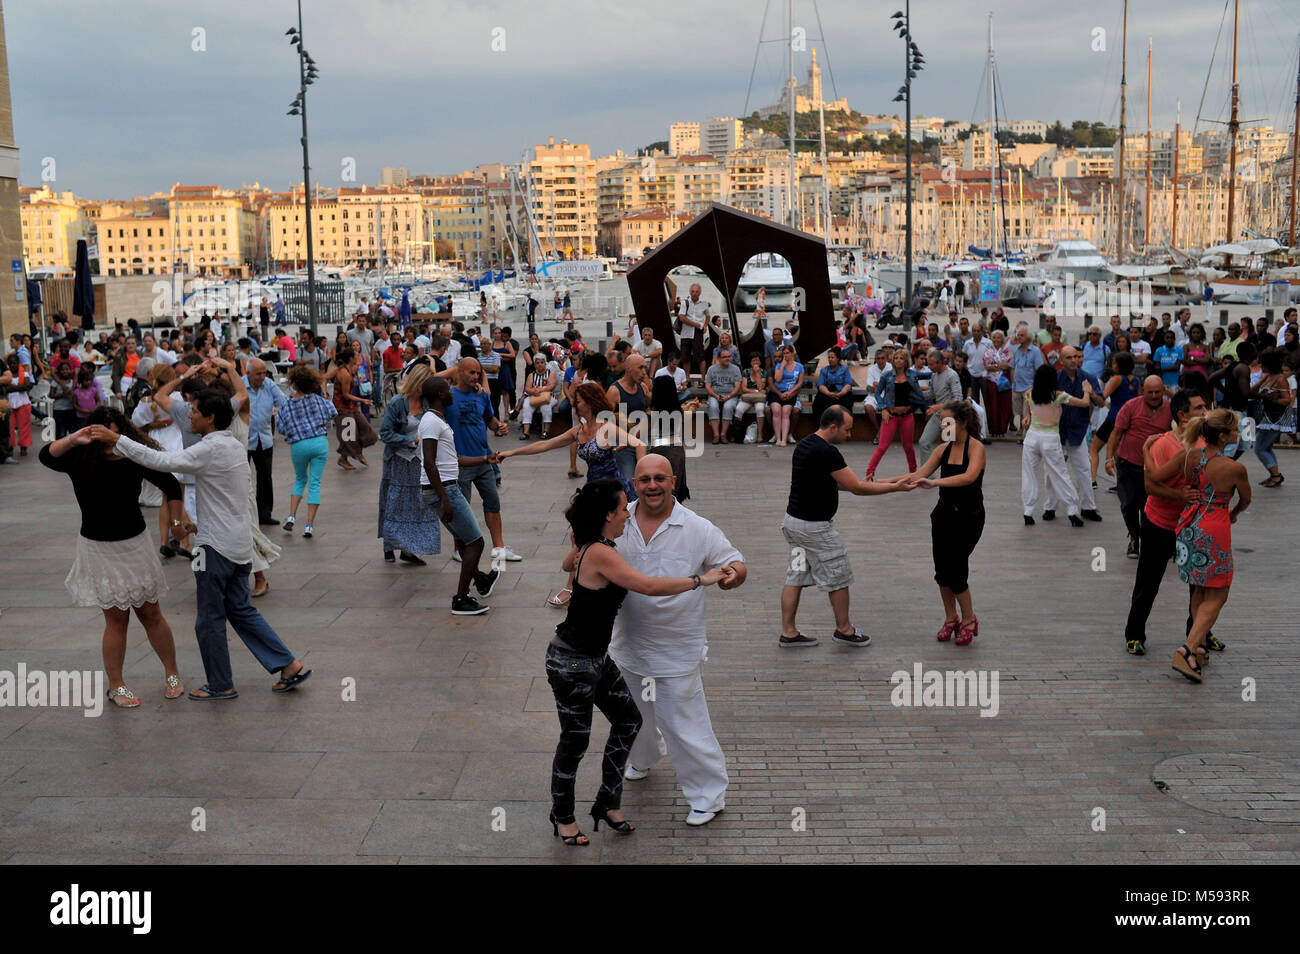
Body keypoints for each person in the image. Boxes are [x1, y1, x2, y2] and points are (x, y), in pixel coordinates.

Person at [89, 393, 312, 700]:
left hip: (213, 549)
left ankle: (221, 684)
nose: (189, 416)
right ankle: (288, 664)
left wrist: (118, 439)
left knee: (209, 619)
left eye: (193, 411)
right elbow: (227, 495)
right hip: (237, 544)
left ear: (210, 417)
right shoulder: (233, 444)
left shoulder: (209, 448)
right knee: (242, 611)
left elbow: (162, 461)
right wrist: (198, 524)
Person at [546, 478, 733, 845]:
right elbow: (646, 586)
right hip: (572, 662)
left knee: (629, 720)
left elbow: (568, 561)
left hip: (597, 657)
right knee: (575, 741)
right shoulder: (602, 552)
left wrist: (579, 545)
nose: (626, 516)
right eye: (621, 510)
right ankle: (563, 817)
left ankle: (608, 803)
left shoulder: (595, 545)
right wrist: (701, 579)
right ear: (607, 515)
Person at [611, 454, 746, 827]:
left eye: (659, 478)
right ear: (634, 484)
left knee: (685, 725)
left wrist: (733, 575)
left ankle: (708, 796)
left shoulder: (697, 527)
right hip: (627, 646)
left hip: (677, 649)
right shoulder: (618, 521)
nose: (652, 485)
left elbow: (734, 561)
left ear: (673, 481)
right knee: (633, 718)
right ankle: (643, 758)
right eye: (644, 480)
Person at [41, 409, 187, 706]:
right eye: (100, 435)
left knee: (151, 613)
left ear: (121, 433)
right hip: (98, 547)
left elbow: (171, 485)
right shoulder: (80, 458)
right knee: (116, 619)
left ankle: (172, 673)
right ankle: (117, 685)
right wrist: (74, 438)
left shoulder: (134, 457)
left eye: (111, 434)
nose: (106, 441)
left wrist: (175, 525)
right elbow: (46, 456)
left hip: (135, 544)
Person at [499, 381, 645, 607]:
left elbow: (638, 442)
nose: (574, 404)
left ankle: (575, 588)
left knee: (590, 538)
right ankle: (582, 586)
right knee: (583, 537)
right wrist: (511, 452)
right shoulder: (578, 431)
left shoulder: (606, 428)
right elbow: (544, 445)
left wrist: (641, 475)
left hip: (613, 492)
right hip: (593, 492)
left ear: (590, 402)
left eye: (578, 400)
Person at [779, 405, 913, 648]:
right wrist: (896, 488)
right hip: (816, 530)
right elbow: (857, 488)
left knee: (795, 575)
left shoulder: (805, 444)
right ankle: (844, 629)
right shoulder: (827, 452)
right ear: (833, 427)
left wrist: (888, 481)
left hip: (794, 526)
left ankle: (788, 632)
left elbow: (838, 483)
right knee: (839, 576)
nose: (850, 435)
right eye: (847, 430)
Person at [1144, 410, 1250, 683]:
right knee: (1219, 593)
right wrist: (1233, 512)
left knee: (1201, 590)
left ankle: (1200, 646)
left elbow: (1157, 476)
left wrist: (1146, 450)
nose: (1238, 434)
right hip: (1215, 529)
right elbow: (1246, 499)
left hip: (1189, 526)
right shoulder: (1234, 468)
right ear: (1223, 436)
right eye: (1234, 430)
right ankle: (1188, 649)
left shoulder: (1192, 456)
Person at [1123, 388, 1208, 655]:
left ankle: (1200, 635)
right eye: (1199, 409)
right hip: (1160, 523)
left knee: (1200, 584)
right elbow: (1150, 486)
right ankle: (1134, 634)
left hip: (1194, 526)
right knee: (1149, 582)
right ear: (1183, 415)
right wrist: (1179, 494)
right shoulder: (1163, 444)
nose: (1205, 412)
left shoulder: (1206, 443)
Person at [904, 401, 986, 644]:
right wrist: (880, 483)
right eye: (942, 423)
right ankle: (951, 618)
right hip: (943, 515)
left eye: (947, 422)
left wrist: (936, 483)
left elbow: (969, 477)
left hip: (969, 517)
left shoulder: (976, 447)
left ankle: (969, 618)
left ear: (961, 423)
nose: (943, 426)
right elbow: (918, 475)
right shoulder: (942, 449)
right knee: (942, 571)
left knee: (957, 569)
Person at [418, 377, 500, 615]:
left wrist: (486, 459)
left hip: (444, 488)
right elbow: (429, 462)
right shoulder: (431, 422)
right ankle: (461, 598)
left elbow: (454, 460)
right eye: (447, 389)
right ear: (441, 396)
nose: (452, 392)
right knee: (477, 542)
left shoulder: (438, 420)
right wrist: (444, 497)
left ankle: (481, 580)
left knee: (466, 540)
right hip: (444, 490)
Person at [447, 357, 521, 563]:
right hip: (460, 462)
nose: (476, 376)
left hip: (484, 461)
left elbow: (489, 419)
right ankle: (458, 548)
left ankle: (498, 548)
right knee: (461, 508)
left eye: (478, 372)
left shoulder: (482, 396)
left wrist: (499, 426)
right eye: (471, 372)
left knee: (493, 503)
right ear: (459, 372)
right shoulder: (447, 396)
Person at [377, 362, 442, 566]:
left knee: (418, 504)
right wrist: (409, 440)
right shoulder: (398, 403)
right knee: (394, 503)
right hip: (398, 461)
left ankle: (409, 548)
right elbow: (385, 433)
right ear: (417, 383)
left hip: (418, 462)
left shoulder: (427, 404)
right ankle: (390, 544)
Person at [1106, 375, 1172, 558]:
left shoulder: (1170, 408)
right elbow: (1116, 434)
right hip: (1128, 464)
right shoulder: (1131, 406)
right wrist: (1109, 459)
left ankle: (1151, 541)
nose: (1153, 396)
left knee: (1149, 507)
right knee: (1128, 505)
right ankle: (1134, 538)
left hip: (1155, 469)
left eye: (1157, 392)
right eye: (1149, 392)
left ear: (1163, 391)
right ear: (1142, 391)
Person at [1021, 363, 1093, 526]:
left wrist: (1027, 417)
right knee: (1060, 474)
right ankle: (1072, 510)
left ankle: (1028, 511)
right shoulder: (1058, 396)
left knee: (1029, 475)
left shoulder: (1030, 393)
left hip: (1032, 438)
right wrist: (1087, 392)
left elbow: (1029, 409)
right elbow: (1084, 403)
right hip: (1050, 438)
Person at [277, 366, 338, 539]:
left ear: (294, 384)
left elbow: (281, 428)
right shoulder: (317, 400)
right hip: (319, 442)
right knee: (315, 482)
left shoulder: (287, 404)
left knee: (300, 479)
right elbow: (333, 412)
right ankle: (309, 525)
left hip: (299, 445)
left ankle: (291, 516)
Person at [1048, 346, 1105, 522]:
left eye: (1076, 357)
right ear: (1062, 360)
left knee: (1083, 469)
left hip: (1078, 430)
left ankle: (1088, 507)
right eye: (1069, 358)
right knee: (1052, 470)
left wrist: (1091, 393)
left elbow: (1101, 403)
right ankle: (1050, 507)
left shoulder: (1088, 378)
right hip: (1057, 429)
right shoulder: (1055, 378)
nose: (1074, 360)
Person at [865, 348, 921, 479]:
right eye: (896, 358)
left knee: (908, 447)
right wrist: (883, 408)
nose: (898, 360)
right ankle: (869, 474)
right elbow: (877, 393)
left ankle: (913, 474)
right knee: (882, 446)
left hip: (907, 415)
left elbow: (922, 387)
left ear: (906, 360)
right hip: (891, 416)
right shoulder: (887, 376)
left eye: (901, 358)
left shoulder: (912, 375)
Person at [243, 358, 285, 526]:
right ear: (248, 373)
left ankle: (264, 514)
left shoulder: (268, 384)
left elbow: (283, 402)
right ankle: (243, 514)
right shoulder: (240, 385)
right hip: (244, 439)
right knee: (241, 478)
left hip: (264, 438)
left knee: (265, 477)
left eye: (264, 373)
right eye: (258, 374)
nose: (262, 377)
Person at [1090, 351, 1140, 490]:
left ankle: (1093, 480)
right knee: (1119, 451)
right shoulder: (1135, 380)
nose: (1112, 365)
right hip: (1128, 420)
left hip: (1113, 418)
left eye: (1114, 362)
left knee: (1094, 448)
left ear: (1119, 365)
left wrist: (1092, 393)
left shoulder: (1117, 379)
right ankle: (1121, 483)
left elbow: (1103, 396)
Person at [1249, 347, 1294, 487]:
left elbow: (1287, 400)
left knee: (1259, 448)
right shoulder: (1269, 377)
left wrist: (1272, 399)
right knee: (1265, 448)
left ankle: (1276, 476)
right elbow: (1253, 390)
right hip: (1266, 417)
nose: (1261, 365)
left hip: (1274, 419)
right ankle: (1274, 475)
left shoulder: (1280, 380)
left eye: (1263, 363)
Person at [916, 348, 963, 457]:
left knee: (950, 447)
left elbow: (958, 399)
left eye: (931, 364)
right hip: (938, 415)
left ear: (939, 363)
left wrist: (938, 406)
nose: (929, 367)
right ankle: (927, 473)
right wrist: (914, 392)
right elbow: (931, 394)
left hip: (951, 416)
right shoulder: (934, 375)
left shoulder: (952, 375)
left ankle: (951, 473)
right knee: (924, 442)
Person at [1009, 324, 1044, 436]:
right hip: (1017, 385)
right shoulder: (1017, 350)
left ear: (1028, 337)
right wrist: (1012, 383)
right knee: (1019, 411)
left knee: (1027, 410)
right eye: (1018, 335)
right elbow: (1013, 367)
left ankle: (1027, 433)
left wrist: (1037, 387)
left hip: (1030, 386)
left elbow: (1039, 370)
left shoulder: (1035, 351)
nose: (1018, 337)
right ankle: (1021, 427)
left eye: (1021, 335)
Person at [704, 345, 743, 444]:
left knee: (728, 407)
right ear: (719, 359)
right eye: (725, 357)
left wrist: (728, 396)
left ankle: (723, 434)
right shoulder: (711, 369)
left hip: (730, 395)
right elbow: (708, 386)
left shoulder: (735, 369)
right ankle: (716, 435)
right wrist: (716, 396)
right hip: (715, 394)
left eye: (729, 356)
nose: (727, 359)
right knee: (713, 406)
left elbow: (738, 386)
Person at [768, 344, 805, 447]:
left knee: (786, 412)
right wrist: (783, 365)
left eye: (787, 353)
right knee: (776, 411)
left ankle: (784, 438)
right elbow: (778, 379)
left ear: (792, 353)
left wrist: (790, 392)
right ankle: (778, 438)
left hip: (790, 393)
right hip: (777, 393)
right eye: (784, 353)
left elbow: (799, 383)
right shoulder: (779, 365)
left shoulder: (799, 366)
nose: (785, 355)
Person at [980, 329, 1013, 435]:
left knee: (1004, 404)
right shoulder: (988, 351)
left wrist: (994, 365)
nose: (996, 339)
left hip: (1004, 381)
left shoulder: (1007, 351)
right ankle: (993, 429)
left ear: (1002, 339)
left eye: (999, 337)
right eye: (994, 337)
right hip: (991, 381)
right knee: (992, 405)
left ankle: (1003, 428)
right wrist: (1000, 365)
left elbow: (1008, 365)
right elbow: (987, 367)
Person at [520, 351, 557, 440]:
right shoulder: (531, 375)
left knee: (545, 406)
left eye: (542, 362)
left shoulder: (550, 373)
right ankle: (526, 431)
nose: (540, 365)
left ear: (545, 363)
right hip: (534, 396)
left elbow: (552, 385)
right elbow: (527, 388)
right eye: (537, 363)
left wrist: (541, 389)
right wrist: (533, 391)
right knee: (526, 405)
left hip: (548, 396)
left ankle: (546, 431)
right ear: (535, 365)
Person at [677, 283, 712, 377]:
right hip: (686, 333)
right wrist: (696, 324)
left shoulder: (704, 303)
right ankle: (687, 378)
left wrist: (705, 326)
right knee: (685, 357)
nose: (694, 293)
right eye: (692, 291)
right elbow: (682, 318)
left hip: (698, 333)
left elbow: (708, 316)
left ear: (700, 293)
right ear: (690, 292)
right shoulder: (685, 303)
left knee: (700, 357)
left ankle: (703, 379)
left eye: (696, 291)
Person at [736, 352, 769, 444]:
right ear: (750, 362)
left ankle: (760, 435)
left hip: (759, 398)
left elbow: (760, 387)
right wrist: (755, 392)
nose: (756, 362)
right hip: (748, 396)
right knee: (739, 409)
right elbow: (744, 388)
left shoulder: (764, 372)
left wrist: (758, 373)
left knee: (760, 409)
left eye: (757, 360)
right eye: (753, 360)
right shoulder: (746, 372)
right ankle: (738, 434)